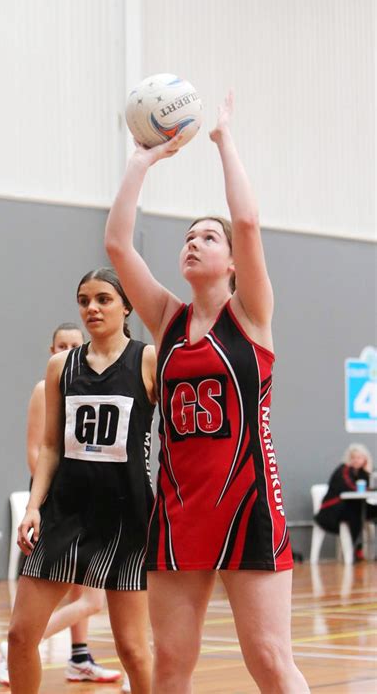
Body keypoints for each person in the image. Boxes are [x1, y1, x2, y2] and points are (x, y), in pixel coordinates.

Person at [105, 93, 310, 694]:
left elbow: (245, 222)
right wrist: (141, 162)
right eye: (188, 238)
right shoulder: (166, 318)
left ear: (232, 264)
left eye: (206, 239)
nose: (193, 244)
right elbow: (118, 246)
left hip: (248, 502)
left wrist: (222, 140)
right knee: (171, 665)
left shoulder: (251, 315)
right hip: (178, 508)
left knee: (270, 660)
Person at [7, 268, 156, 694]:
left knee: (132, 649)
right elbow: (51, 445)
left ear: (126, 306)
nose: (92, 307)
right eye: (84, 299)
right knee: (20, 636)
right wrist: (35, 504)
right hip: (65, 514)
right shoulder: (61, 366)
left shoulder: (147, 359)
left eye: (103, 299)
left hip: (127, 519)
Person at [0, 322, 122, 686]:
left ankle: (79, 657)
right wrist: (53, 494)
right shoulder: (44, 389)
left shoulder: (94, 388)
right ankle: (16, 645)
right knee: (93, 599)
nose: (67, 351)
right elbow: (38, 451)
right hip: (57, 501)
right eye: (60, 345)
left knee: (82, 590)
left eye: (74, 345)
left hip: (93, 501)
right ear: (51, 352)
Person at [315, 443, 375, 555]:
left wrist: (367, 472)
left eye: (359, 458)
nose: (356, 460)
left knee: (372, 510)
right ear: (349, 458)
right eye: (353, 457)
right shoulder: (343, 470)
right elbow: (350, 487)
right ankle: (355, 549)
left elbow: (371, 488)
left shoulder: (364, 473)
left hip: (353, 506)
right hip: (332, 509)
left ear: (365, 459)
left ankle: (366, 550)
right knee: (356, 513)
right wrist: (368, 488)